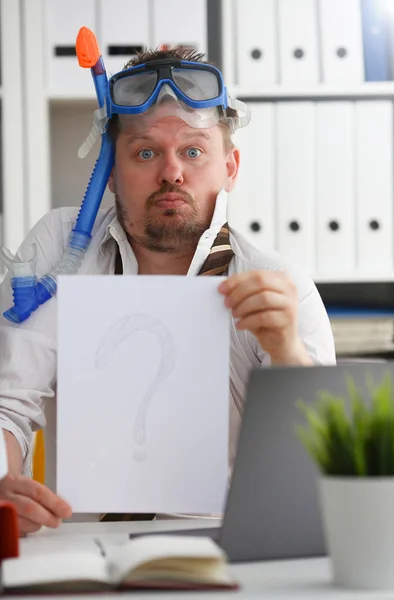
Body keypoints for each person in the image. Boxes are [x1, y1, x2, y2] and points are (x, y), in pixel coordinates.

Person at [0, 46, 336, 535]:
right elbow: (8, 402)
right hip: (77, 549)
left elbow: (326, 471)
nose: (171, 172)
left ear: (231, 167)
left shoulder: (281, 286)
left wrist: (287, 357)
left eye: (194, 151)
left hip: (227, 552)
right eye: (145, 152)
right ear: (110, 172)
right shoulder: (59, 249)